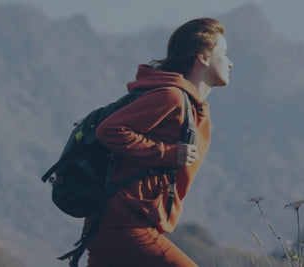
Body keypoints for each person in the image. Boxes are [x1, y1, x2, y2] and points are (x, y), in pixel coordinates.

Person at [87, 17, 232, 266]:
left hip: (120, 222)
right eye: (224, 53)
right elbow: (109, 130)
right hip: (124, 223)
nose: (230, 62)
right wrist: (167, 154)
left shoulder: (194, 107)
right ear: (204, 58)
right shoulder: (171, 97)